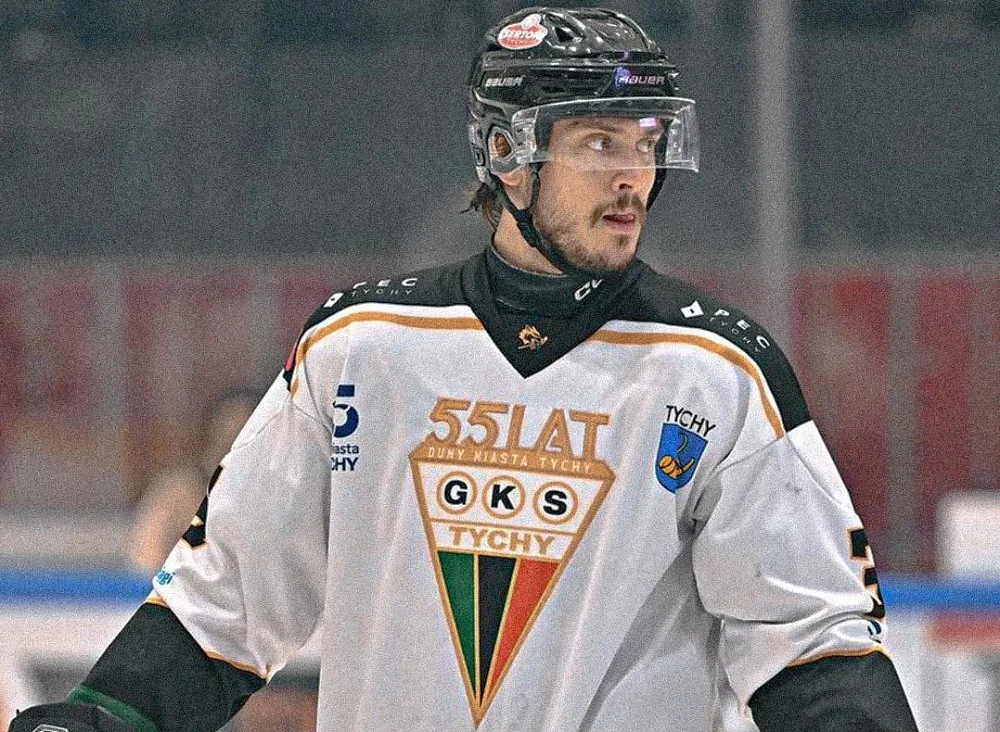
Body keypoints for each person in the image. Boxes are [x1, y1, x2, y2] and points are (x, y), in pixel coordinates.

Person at [9, 7, 919, 732]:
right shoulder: (361, 347)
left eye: (646, 142)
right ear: (506, 156)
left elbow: (811, 639)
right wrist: (95, 720)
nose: (633, 177)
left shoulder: (717, 371)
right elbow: (228, 601)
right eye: (598, 143)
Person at [124, 389, 263, 573]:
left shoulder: (276, 498)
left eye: (242, 440)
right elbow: (145, 558)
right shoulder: (177, 493)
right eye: (226, 439)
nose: (231, 452)